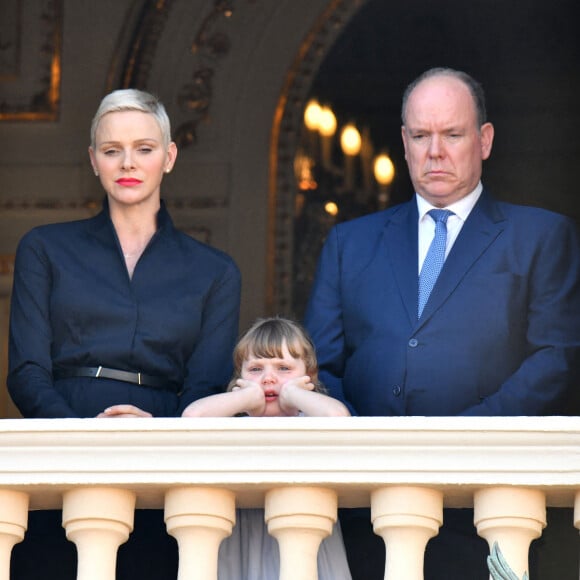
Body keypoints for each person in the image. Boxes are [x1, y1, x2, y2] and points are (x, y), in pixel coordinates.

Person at [304, 67, 580, 579]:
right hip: (366, 505)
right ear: (404, 143)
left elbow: (556, 360)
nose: (435, 151)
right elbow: (319, 365)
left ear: (485, 141)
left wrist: (460, 439)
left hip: (486, 503)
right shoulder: (351, 244)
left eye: (452, 134)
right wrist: (364, 442)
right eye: (420, 135)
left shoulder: (540, 236)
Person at [7, 88, 241, 578]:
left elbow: (205, 388)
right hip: (59, 453)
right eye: (112, 150)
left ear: (169, 156)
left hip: (166, 460)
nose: (127, 162)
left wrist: (155, 435)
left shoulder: (214, 271)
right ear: (93, 161)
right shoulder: (45, 249)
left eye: (144, 148)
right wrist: (82, 436)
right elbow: (27, 373)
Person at [182, 317, 351, 580]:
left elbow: (339, 418)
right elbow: (192, 418)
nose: (269, 378)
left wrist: (293, 395)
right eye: (256, 369)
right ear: (240, 377)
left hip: (304, 535)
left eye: (284, 368)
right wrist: (246, 398)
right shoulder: (232, 423)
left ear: (309, 376)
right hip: (244, 540)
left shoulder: (313, 420)